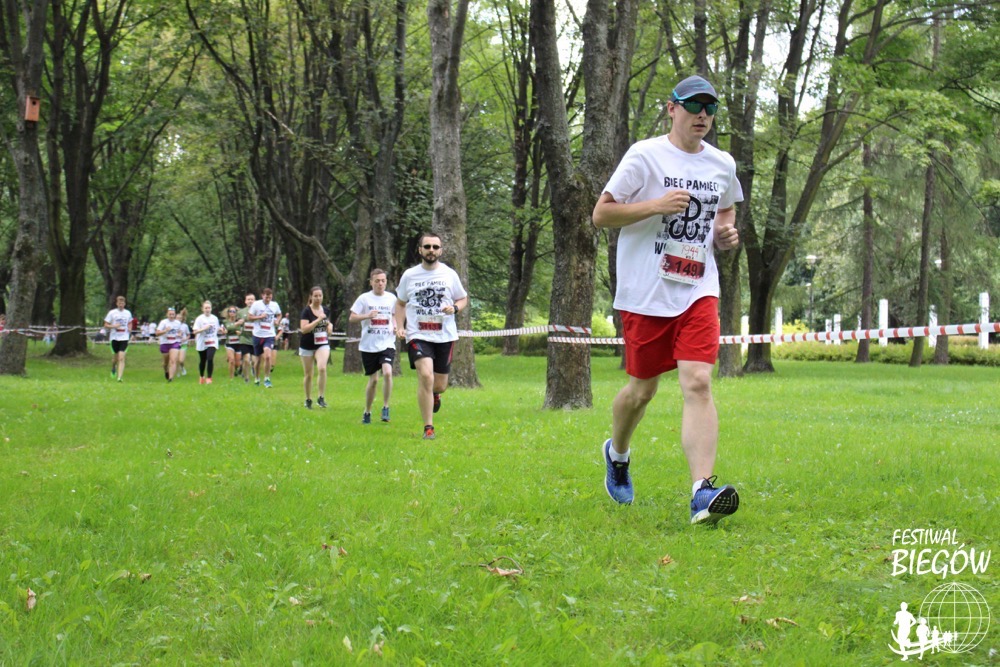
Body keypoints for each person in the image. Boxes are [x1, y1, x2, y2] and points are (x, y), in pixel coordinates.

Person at [591, 75, 743, 524]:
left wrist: (724, 232)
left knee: (697, 381)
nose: (702, 115)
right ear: (672, 108)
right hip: (646, 292)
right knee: (642, 391)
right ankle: (618, 453)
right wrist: (655, 205)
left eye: (710, 108)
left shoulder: (722, 163)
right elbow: (601, 214)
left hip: (698, 287)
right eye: (693, 105)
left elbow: (726, 208)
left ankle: (702, 492)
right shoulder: (645, 155)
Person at [394, 233, 468, 440]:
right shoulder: (409, 275)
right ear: (420, 250)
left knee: (439, 385)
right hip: (418, 334)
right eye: (427, 246)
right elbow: (400, 303)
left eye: (435, 247)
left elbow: (462, 298)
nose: (431, 250)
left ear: (441, 250)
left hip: (444, 335)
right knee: (426, 376)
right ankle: (428, 427)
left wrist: (454, 308)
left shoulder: (449, 274)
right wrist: (399, 326)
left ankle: (435, 394)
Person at [350, 268, 398, 424]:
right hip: (369, 345)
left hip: (387, 342)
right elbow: (352, 318)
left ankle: (386, 407)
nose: (380, 284)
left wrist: (396, 326)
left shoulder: (391, 298)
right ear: (371, 282)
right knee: (374, 380)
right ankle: (367, 411)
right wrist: (367, 315)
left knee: (388, 372)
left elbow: (394, 316)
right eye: (377, 281)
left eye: (383, 281)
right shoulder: (364, 298)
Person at [298, 287, 332, 409]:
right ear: (311, 297)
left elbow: (328, 323)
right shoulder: (306, 311)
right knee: (309, 374)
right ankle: (308, 399)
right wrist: (318, 320)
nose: (318, 298)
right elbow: (304, 329)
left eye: (320, 296)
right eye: (315, 296)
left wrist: (330, 326)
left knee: (322, 368)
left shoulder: (326, 310)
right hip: (307, 345)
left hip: (322, 343)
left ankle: (321, 397)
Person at [248, 287, 281, 387]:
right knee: (258, 360)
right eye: (266, 297)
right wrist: (260, 317)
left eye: (270, 297)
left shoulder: (274, 305)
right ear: (262, 296)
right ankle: (257, 378)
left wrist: (277, 321)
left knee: (267, 356)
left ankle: (267, 379)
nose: (268, 299)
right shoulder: (256, 304)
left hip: (269, 335)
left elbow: (279, 314)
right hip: (257, 335)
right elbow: (249, 317)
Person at [103, 295, 132, 382]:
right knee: (115, 358)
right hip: (114, 337)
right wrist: (114, 326)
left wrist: (130, 328)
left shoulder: (128, 313)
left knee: (121, 357)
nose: (121, 305)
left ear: (124, 304)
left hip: (124, 337)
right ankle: (113, 366)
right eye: (119, 303)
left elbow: (130, 322)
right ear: (117, 303)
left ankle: (119, 377)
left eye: (122, 303)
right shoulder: (112, 313)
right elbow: (105, 324)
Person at [192, 300, 221, 384]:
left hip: (212, 341)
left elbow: (217, 329)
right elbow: (195, 332)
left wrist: (221, 330)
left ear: (211, 309)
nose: (207, 309)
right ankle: (201, 376)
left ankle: (209, 378)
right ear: (202, 309)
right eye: (206, 308)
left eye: (209, 308)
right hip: (202, 342)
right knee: (203, 360)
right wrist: (204, 328)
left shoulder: (214, 318)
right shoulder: (199, 319)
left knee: (210, 358)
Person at [155, 307, 184, 381]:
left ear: (175, 315)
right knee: (165, 363)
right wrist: (165, 330)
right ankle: (166, 371)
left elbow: (180, 331)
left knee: (173, 360)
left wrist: (180, 334)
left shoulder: (178, 323)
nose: (171, 316)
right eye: (170, 314)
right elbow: (157, 333)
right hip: (165, 343)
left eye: (173, 314)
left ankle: (171, 378)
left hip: (175, 342)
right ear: (167, 314)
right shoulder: (163, 322)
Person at [236, 293, 256, 382]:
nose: (250, 301)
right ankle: (247, 378)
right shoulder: (240, 312)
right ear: (245, 301)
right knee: (246, 359)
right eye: (248, 299)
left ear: (255, 301)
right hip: (244, 338)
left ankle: (253, 370)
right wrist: (238, 328)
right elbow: (235, 325)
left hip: (255, 338)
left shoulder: (259, 311)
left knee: (254, 361)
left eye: (252, 299)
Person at [222, 306, 243, 379]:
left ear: (236, 313)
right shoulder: (225, 322)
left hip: (238, 343)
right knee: (231, 360)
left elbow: (244, 332)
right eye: (230, 311)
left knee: (237, 363)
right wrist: (224, 331)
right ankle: (231, 378)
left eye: (234, 311)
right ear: (228, 313)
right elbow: (223, 330)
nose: (232, 313)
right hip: (229, 344)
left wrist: (240, 333)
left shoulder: (240, 322)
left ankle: (236, 369)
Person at [177, 307, 191, 377]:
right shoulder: (173, 326)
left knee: (181, 360)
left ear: (182, 319)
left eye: (180, 318)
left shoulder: (185, 326)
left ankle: (182, 368)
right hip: (175, 344)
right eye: (177, 318)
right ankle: (177, 371)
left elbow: (189, 335)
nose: (178, 319)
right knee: (176, 359)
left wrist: (185, 339)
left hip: (183, 344)